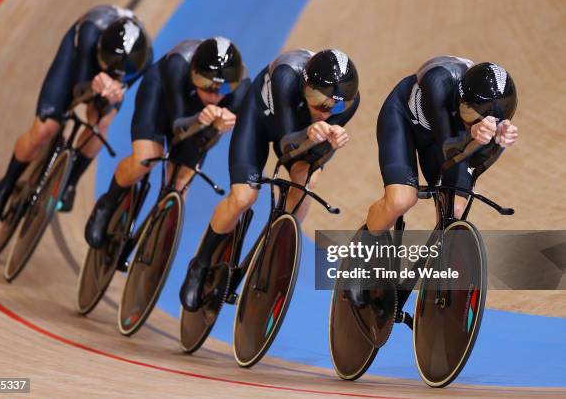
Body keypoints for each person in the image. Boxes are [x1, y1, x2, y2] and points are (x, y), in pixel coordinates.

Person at [179, 48, 361, 311]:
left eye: (335, 106)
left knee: (306, 182)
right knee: (244, 197)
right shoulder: (286, 77)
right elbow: (287, 146)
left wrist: (330, 145)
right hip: (261, 121)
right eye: (317, 100)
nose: (325, 111)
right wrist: (311, 134)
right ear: (305, 85)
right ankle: (201, 263)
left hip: (300, 136)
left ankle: (275, 248)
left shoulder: (350, 102)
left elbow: (314, 160)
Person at [347, 56, 519, 307]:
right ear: (459, 95)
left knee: (455, 211)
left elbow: (475, 166)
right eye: (466, 111)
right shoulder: (439, 81)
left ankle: (437, 288)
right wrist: (472, 134)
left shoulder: (496, 112)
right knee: (401, 200)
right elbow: (449, 147)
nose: (468, 118)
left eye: (476, 117)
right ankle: (357, 264)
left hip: (449, 139)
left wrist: (497, 144)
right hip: (404, 120)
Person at [0, 5, 152, 224]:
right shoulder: (90, 35)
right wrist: (93, 84)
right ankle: (7, 183)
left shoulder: (143, 60)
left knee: (101, 123)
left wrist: (112, 94)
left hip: (115, 69)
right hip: (77, 57)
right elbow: (78, 91)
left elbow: (115, 96)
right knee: (44, 129)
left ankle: (70, 181)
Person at [84, 37, 251, 249]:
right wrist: (203, 119)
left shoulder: (242, 88)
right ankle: (107, 204)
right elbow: (177, 125)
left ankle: (158, 248)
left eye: (222, 90)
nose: (213, 95)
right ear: (193, 74)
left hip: (197, 121)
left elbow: (203, 142)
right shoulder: (178, 65)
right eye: (205, 86)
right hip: (162, 101)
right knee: (144, 160)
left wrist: (216, 128)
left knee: (181, 185)